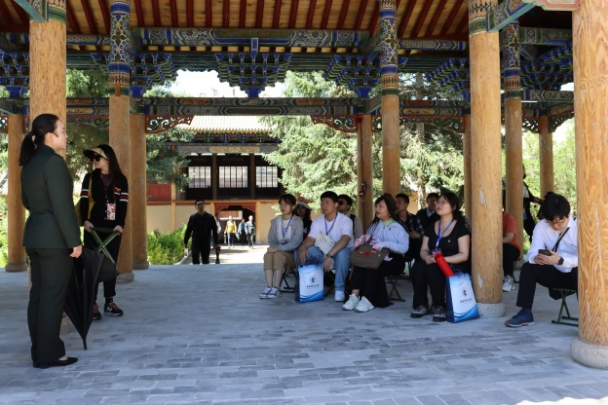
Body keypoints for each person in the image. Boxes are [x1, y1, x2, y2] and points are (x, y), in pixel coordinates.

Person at [20, 114, 81, 368]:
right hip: (55, 240)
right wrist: (74, 240)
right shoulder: (54, 162)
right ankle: (50, 354)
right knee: (53, 298)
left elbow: (26, 201)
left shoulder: (30, 163)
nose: (66, 135)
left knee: (38, 296)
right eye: (63, 131)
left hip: (35, 236)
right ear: (50, 136)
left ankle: (39, 351)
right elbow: (62, 206)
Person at [505, 193, 577, 327]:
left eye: (559, 222)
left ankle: (588, 315)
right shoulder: (541, 226)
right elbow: (533, 251)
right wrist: (536, 258)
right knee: (528, 268)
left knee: (581, 270)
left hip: (576, 276)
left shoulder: (580, 227)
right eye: (551, 222)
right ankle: (525, 313)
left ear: (568, 215)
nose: (555, 226)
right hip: (555, 274)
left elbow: (587, 260)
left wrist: (560, 260)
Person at [80, 144, 128, 320]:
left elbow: (123, 204)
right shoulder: (89, 178)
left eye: (97, 157)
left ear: (108, 158)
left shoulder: (121, 180)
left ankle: (109, 301)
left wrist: (120, 224)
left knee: (110, 265)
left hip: (113, 230)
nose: (94, 160)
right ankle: (92, 304)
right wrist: (85, 220)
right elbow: (84, 201)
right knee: (91, 266)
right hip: (92, 229)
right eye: (93, 158)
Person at [342, 194, 409, 312]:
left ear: (389, 209)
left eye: (381, 206)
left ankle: (368, 299)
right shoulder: (374, 225)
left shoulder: (398, 226)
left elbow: (404, 248)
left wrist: (386, 244)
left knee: (373, 266)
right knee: (360, 263)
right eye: (376, 206)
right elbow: (369, 241)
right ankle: (354, 296)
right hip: (375, 255)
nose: (377, 209)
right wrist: (364, 241)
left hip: (394, 259)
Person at [410, 192, 471, 322]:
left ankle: (439, 306)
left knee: (433, 268)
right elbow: (424, 249)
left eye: (444, 202)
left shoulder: (460, 227)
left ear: (453, 207)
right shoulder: (431, 226)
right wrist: (426, 257)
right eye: (438, 202)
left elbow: (464, 255)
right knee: (418, 267)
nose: (438, 204)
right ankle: (421, 304)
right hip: (434, 260)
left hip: (453, 263)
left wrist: (442, 260)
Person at [297, 191, 354, 302]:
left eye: (327, 202)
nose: (324, 205)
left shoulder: (345, 221)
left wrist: (329, 256)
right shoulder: (318, 220)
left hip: (340, 257)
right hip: (323, 255)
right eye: (322, 203)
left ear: (336, 204)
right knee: (309, 250)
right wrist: (303, 246)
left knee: (343, 252)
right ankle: (307, 286)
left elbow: (345, 239)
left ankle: (339, 290)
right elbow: (311, 239)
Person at [260, 194, 304, 299]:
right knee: (268, 255)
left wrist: (278, 248)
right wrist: (274, 249)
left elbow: (296, 242)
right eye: (281, 204)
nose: (283, 207)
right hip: (277, 252)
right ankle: (269, 287)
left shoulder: (298, 221)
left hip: (292, 255)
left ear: (293, 206)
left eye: (286, 204)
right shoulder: (275, 222)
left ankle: (276, 288)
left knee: (278, 255)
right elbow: (271, 239)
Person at [184, 200, 220, 265]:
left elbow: (215, 231)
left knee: (205, 260)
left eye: (201, 204)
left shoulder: (210, 217)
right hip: (195, 241)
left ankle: (205, 271)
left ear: (204, 206)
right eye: (198, 204)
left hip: (206, 241)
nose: (200, 206)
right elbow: (188, 230)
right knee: (195, 257)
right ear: (196, 207)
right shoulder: (193, 218)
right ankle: (196, 271)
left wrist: (216, 243)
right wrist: (185, 241)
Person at [502, 193, 522, 292]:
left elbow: (508, 239)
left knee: (506, 248)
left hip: (511, 248)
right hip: (492, 248)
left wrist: (491, 244)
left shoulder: (508, 218)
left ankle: (509, 278)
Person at [395, 193, 424, 260]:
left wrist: (417, 235)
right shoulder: (392, 219)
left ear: (406, 204)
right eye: (395, 202)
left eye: (399, 203)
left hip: (413, 248)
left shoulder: (415, 218)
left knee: (418, 243)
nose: (396, 205)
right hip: (397, 247)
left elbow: (424, 235)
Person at [523, 166, 542, 241]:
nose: (523, 172)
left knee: (533, 232)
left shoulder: (523, 184)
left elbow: (529, 197)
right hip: (521, 211)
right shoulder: (511, 184)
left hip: (525, 210)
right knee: (532, 231)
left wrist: (540, 201)